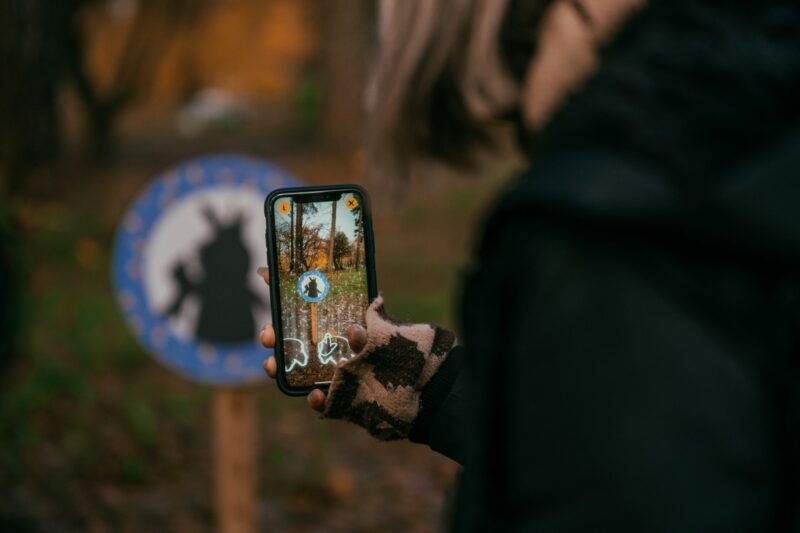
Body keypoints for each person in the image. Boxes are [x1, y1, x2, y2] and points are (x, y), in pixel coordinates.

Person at [261, 0, 800, 530]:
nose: (535, 140)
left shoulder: (602, 230)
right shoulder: (761, 130)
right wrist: (433, 386)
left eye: (513, 112)